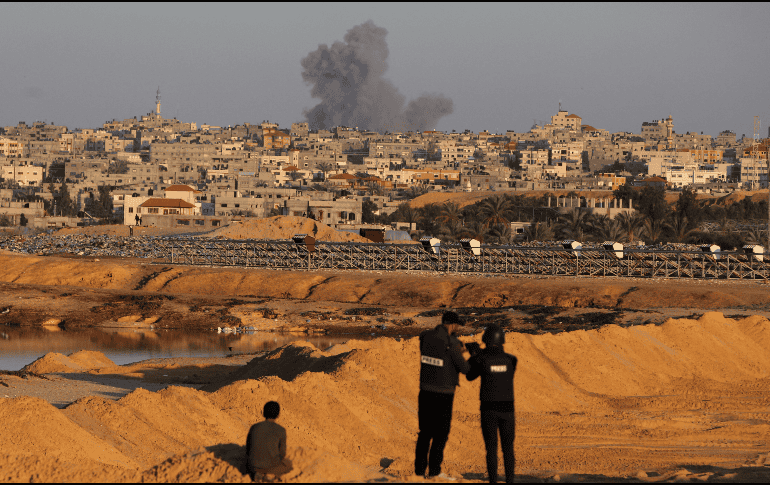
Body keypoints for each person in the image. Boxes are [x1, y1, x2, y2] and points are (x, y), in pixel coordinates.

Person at [415, 310, 471, 479]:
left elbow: (442, 354)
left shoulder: (426, 338)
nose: (458, 329)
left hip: (425, 391)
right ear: (452, 324)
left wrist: (461, 348)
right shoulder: (452, 342)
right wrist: (470, 352)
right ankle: (434, 472)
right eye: (457, 326)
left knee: (425, 433)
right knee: (440, 434)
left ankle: (418, 472)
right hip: (444, 394)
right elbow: (465, 369)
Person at [466, 324, 517, 483]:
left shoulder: (481, 359)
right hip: (508, 409)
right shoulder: (511, 360)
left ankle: (493, 481)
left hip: (489, 409)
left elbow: (470, 375)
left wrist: (474, 355)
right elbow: (497, 364)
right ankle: (510, 480)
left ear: (485, 341)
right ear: (502, 340)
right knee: (508, 449)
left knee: (491, 449)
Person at [246, 401, 291, 480]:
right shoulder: (281, 430)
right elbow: (282, 453)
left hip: (253, 467)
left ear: (263, 413)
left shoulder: (254, 427)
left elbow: (248, 449)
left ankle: (259, 474)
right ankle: (270, 475)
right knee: (288, 464)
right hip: (271, 467)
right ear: (278, 414)